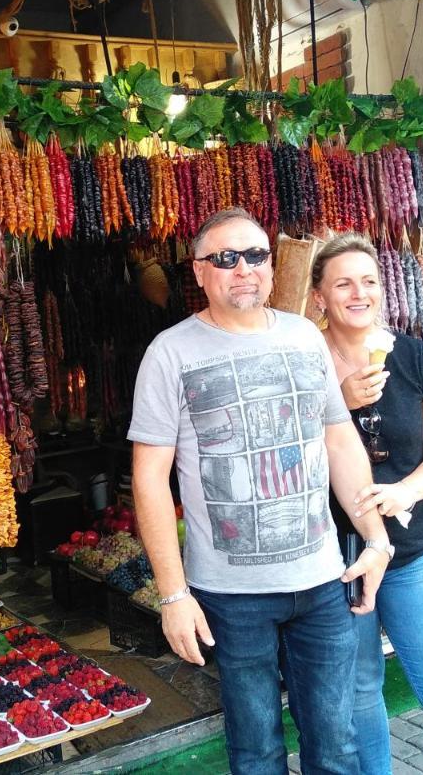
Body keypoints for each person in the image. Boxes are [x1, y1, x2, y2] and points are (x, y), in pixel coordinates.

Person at [129, 208, 393, 775]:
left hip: (323, 583)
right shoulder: (170, 353)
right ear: (198, 273)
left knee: (337, 747)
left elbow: (339, 439)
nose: (242, 268)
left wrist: (375, 537)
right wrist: (173, 597)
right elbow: (150, 477)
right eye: (224, 258)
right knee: (255, 754)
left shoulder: (302, 335)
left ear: (272, 268)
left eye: (254, 255)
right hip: (230, 595)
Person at [311, 232, 423, 775]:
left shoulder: (413, 355)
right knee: (361, 699)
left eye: (368, 281)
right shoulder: (303, 358)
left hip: (414, 552)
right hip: (334, 558)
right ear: (319, 295)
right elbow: (284, 451)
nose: (358, 293)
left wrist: (406, 491)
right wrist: (337, 404)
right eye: (342, 283)